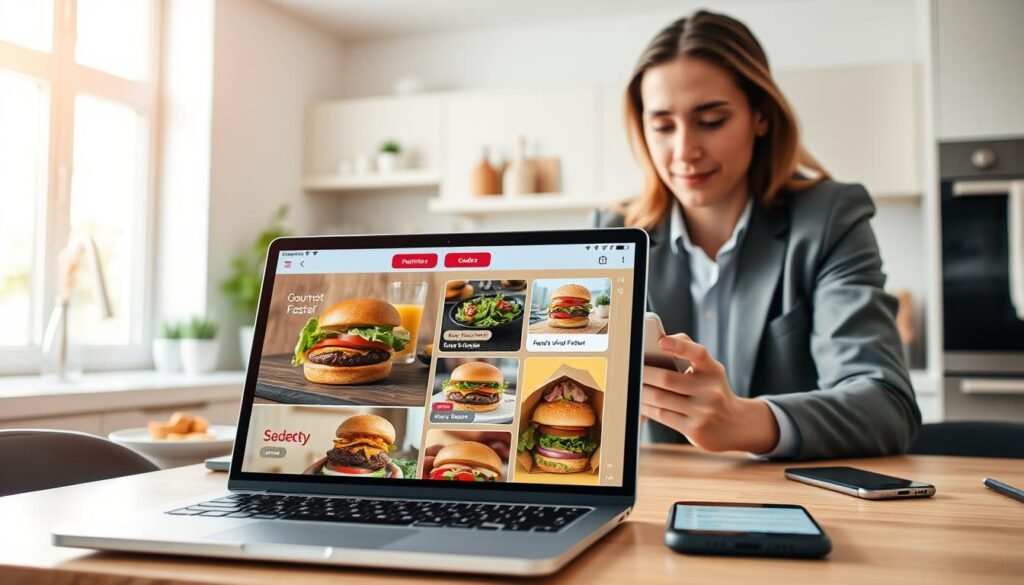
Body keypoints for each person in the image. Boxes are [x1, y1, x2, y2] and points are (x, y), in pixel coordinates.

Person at [594, 10, 920, 460]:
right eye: (663, 125)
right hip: (659, 500)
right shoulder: (614, 232)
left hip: (797, 499)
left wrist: (746, 421)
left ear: (760, 117)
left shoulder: (829, 218)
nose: (684, 151)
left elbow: (887, 406)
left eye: (711, 120)